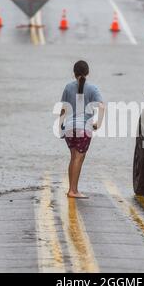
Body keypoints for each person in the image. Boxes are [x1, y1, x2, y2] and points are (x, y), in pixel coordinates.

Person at [59, 61, 105, 199]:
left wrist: (60, 127)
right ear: (88, 73)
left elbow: (63, 109)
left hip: (69, 127)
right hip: (83, 128)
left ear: (74, 73)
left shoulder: (68, 87)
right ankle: (74, 191)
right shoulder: (93, 89)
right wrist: (98, 124)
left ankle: (71, 190)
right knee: (79, 158)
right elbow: (102, 107)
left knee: (73, 158)